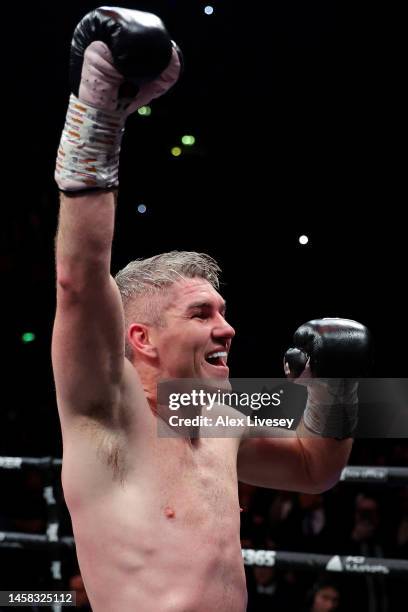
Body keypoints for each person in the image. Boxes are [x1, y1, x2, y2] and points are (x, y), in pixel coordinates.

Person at [52, 7, 371, 611]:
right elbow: (79, 280)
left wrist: (334, 387)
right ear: (141, 337)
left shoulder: (216, 412)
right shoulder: (106, 411)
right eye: (202, 314)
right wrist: (98, 116)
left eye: (222, 311)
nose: (227, 326)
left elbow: (313, 472)